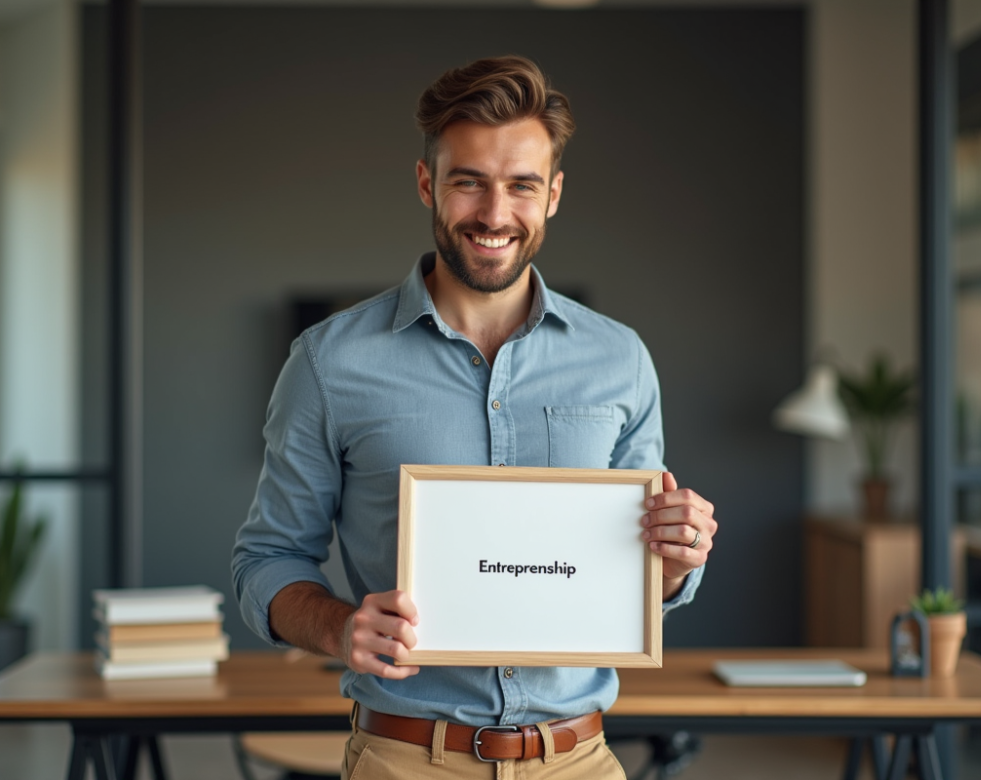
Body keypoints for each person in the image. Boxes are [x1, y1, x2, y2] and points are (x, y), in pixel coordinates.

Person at [232, 55, 718, 780]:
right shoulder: (326, 363)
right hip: (404, 758)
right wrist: (341, 627)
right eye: (469, 182)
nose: (495, 215)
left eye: (521, 185)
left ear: (552, 195)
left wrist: (677, 565)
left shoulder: (620, 359)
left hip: (579, 759)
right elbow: (263, 563)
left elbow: (640, 581)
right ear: (428, 183)